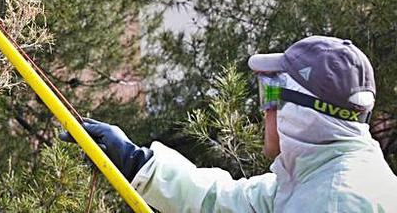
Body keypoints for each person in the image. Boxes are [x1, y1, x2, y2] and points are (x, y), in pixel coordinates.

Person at [60, 35, 397, 212]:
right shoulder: (316, 181)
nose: (265, 110)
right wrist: (135, 161)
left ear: (305, 115)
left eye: (272, 94)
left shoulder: (335, 202)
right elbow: (222, 200)